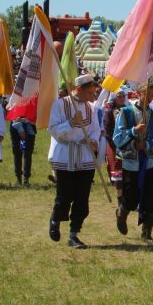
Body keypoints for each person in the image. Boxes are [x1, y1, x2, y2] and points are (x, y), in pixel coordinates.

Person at [47, 75, 101, 249]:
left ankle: (74, 234)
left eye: (94, 93)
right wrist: (70, 123)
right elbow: (53, 130)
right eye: (90, 93)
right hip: (65, 155)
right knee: (65, 196)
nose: (92, 97)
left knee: (82, 198)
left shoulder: (91, 108)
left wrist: (94, 141)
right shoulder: (59, 105)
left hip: (85, 157)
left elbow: (95, 130)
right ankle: (55, 219)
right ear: (79, 89)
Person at [113, 79, 153, 242]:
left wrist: (148, 144)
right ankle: (122, 212)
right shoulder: (126, 113)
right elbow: (117, 138)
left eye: (152, 95)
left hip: (151, 162)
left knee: (151, 197)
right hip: (132, 162)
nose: (150, 98)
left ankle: (147, 233)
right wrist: (132, 133)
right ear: (138, 93)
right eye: (147, 94)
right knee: (130, 196)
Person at [103, 88, 128, 200]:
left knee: (127, 170)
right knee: (117, 170)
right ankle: (120, 199)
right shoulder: (108, 111)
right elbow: (107, 131)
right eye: (119, 96)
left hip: (127, 144)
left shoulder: (128, 110)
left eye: (123, 95)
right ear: (114, 97)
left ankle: (126, 196)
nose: (122, 98)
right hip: (113, 144)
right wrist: (117, 142)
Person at [10, 115, 36, 187]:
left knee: (27, 155)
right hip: (18, 135)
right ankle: (19, 179)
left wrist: (25, 120)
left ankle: (26, 179)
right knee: (18, 154)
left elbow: (35, 118)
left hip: (28, 134)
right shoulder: (14, 105)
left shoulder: (32, 105)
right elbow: (11, 114)